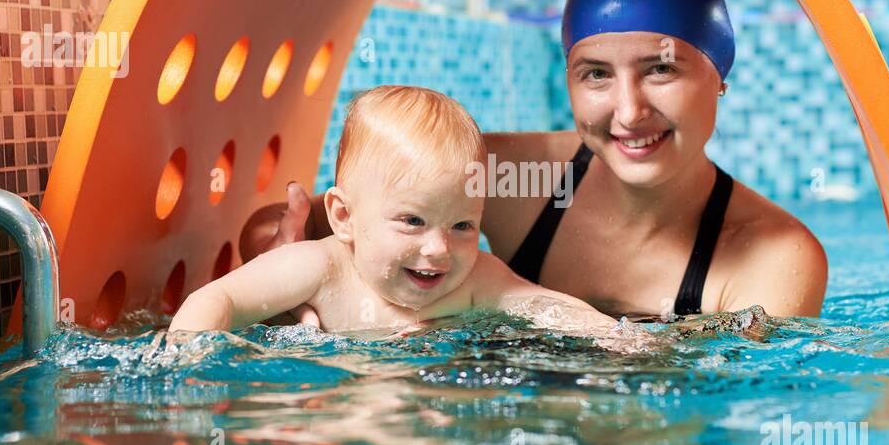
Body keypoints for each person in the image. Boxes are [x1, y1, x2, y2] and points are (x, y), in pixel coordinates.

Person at [240, 0, 827, 326]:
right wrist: (285, 271)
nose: (627, 111)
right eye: (595, 74)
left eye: (661, 69)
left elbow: (724, 407)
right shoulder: (523, 180)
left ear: (718, 71)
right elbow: (293, 224)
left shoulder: (772, 258)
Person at [170, 85, 637, 344]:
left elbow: (543, 306)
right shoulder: (319, 269)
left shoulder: (476, 280)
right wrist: (190, 355)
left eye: (462, 226)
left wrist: (620, 339)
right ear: (343, 216)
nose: (439, 249)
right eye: (412, 221)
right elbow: (218, 299)